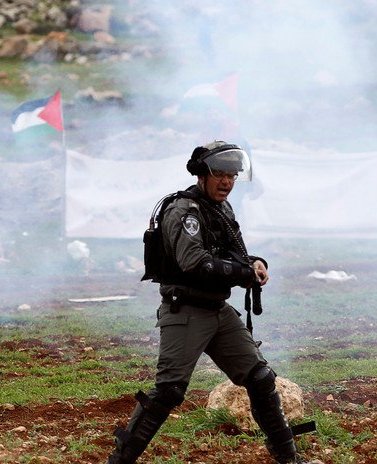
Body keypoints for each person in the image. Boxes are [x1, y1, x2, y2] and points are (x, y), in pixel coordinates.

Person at [107, 141, 309, 463]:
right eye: (220, 174)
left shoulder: (222, 209)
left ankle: (289, 458)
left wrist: (255, 263)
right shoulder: (184, 210)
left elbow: (232, 255)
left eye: (232, 175)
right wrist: (241, 271)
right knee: (169, 392)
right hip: (186, 310)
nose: (227, 182)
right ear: (202, 174)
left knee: (260, 378)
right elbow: (195, 262)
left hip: (216, 308)